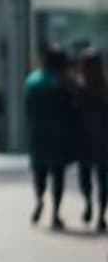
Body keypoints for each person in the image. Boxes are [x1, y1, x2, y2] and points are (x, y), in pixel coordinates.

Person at [24, 46, 78, 230]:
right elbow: (73, 109)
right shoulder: (65, 82)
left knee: (40, 172)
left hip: (39, 133)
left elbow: (28, 108)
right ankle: (55, 212)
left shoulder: (33, 80)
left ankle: (39, 200)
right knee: (58, 175)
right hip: (60, 134)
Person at [75, 47, 107, 232]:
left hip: (84, 138)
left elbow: (72, 113)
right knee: (103, 179)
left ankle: (88, 203)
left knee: (85, 175)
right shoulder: (105, 88)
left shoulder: (80, 88)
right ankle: (102, 214)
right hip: (104, 139)